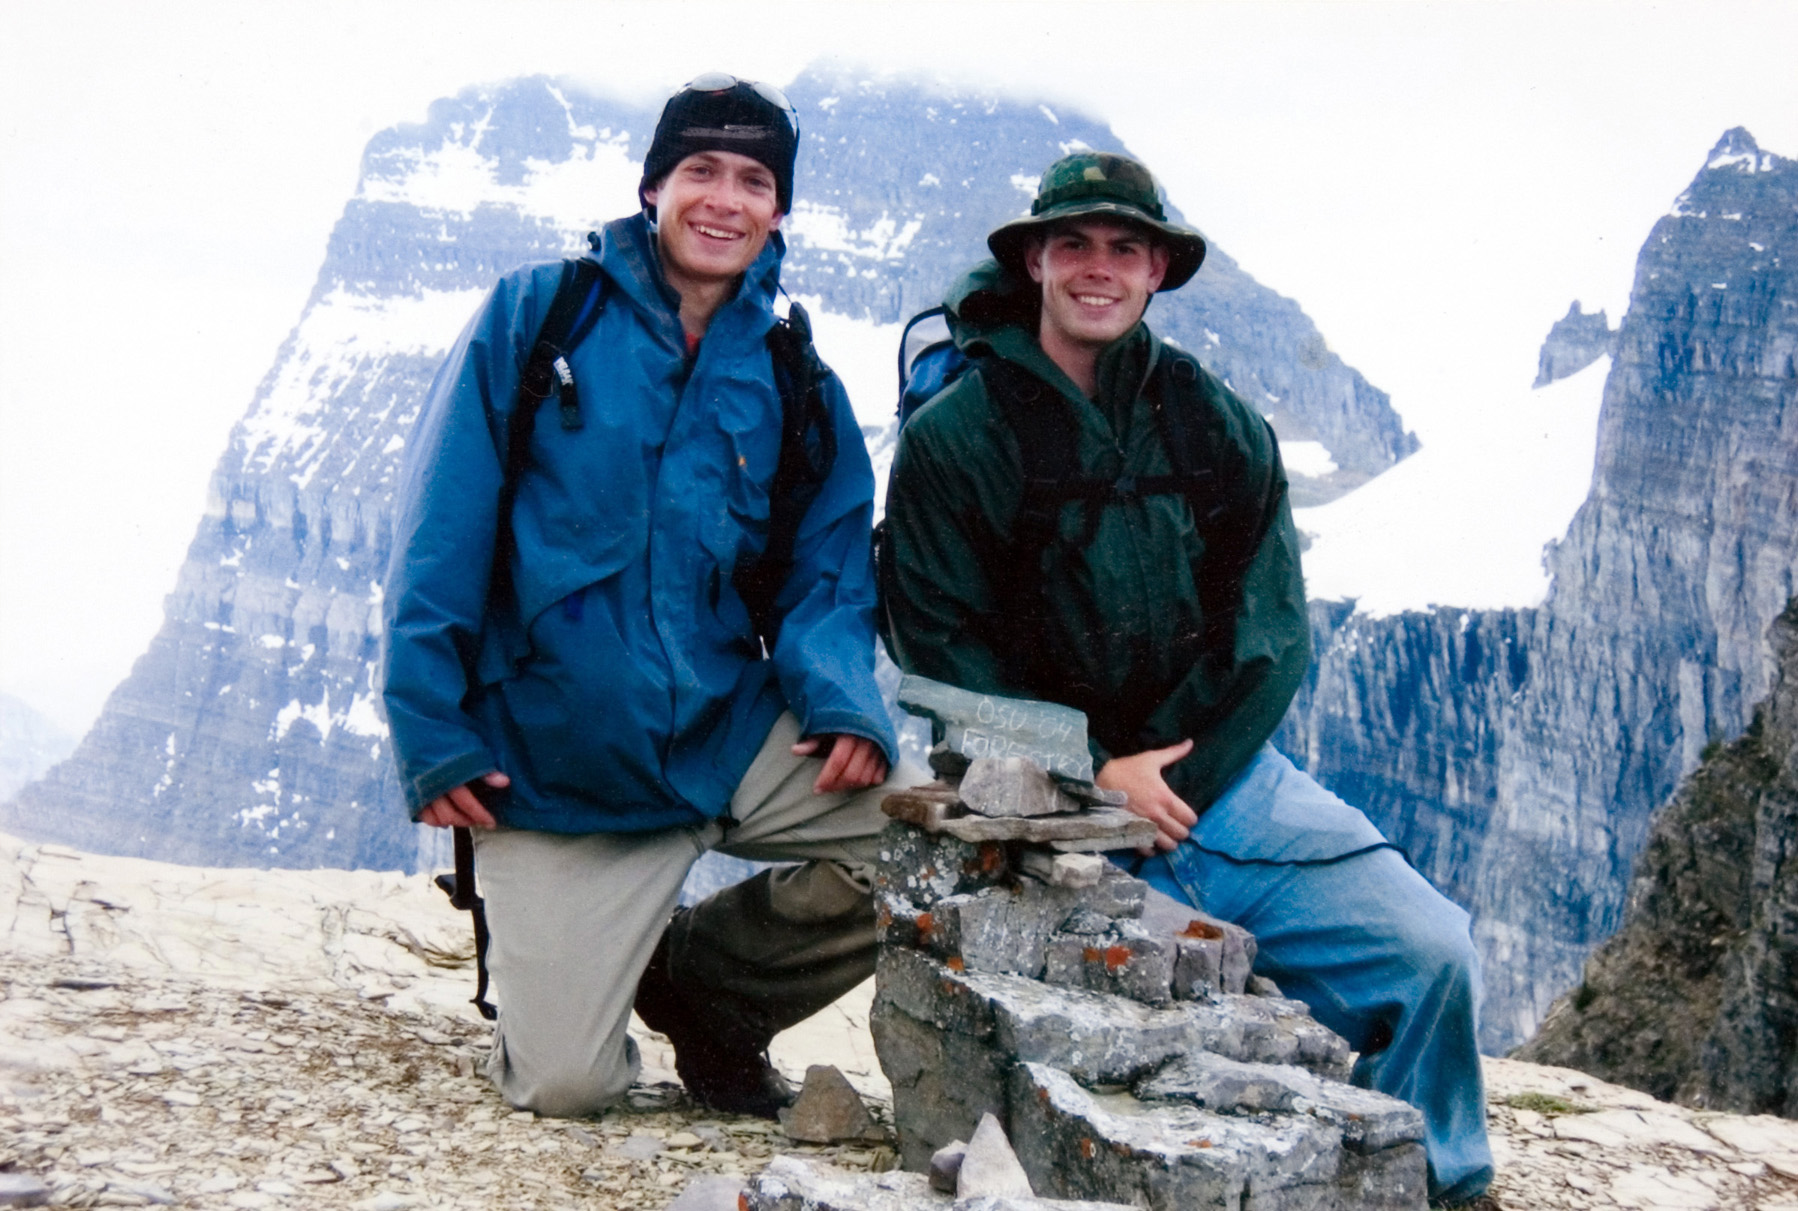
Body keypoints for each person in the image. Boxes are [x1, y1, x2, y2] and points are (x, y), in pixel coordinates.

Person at [882, 151, 1495, 1207]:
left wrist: (1181, 779)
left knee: (1433, 951)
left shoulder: (1212, 420)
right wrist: (1089, 771)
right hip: (1048, 818)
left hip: (1227, 785)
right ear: (1033, 260)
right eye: (1073, 244)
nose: (1098, 268)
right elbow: (938, 659)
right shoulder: (954, 440)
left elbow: (1270, 631)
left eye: (1125, 247)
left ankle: (1438, 1178)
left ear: (1158, 269)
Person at [381, 74, 921, 1121]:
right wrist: (428, 727)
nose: (724, 198)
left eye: (753, 179)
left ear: (779, 208)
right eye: (700, 171)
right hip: (557, 758)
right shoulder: (540, 316)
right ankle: (577, 950)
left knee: (926, 837)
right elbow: (438, 530)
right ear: (652, 187)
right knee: (569, 1085)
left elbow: (826, 572)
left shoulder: (792, 372)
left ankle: (702, 986)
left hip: (722, 730)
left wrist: (841, 699)